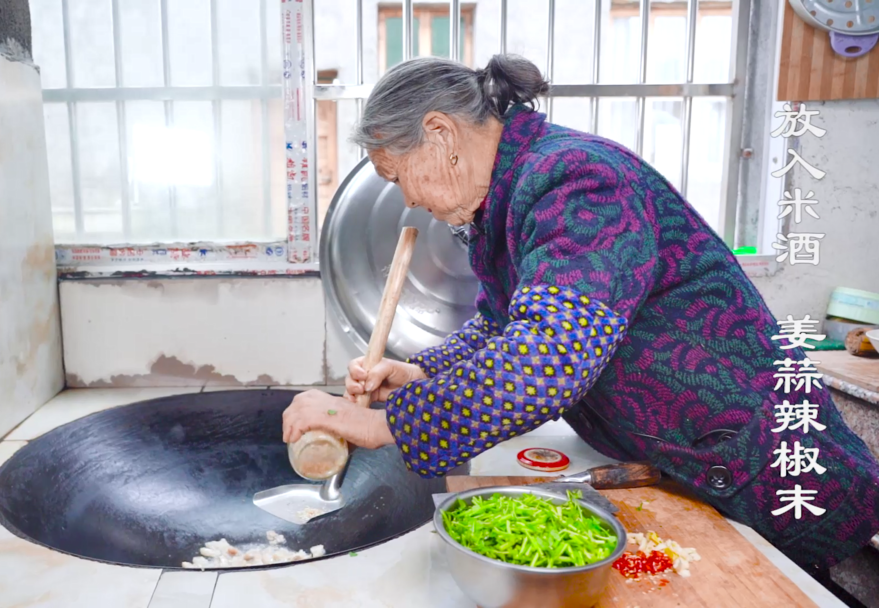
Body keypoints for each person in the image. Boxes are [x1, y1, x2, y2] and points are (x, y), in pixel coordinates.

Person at [281, 54, 879, 577]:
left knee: (792, 589)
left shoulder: (578, 180)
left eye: (399, 175)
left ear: (440, 134)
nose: (409, 199)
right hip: (696, 454)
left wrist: (384, 425)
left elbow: (548, 355)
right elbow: (500, 324)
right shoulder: (514, 195)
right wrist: (420, 373)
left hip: (761, 463)